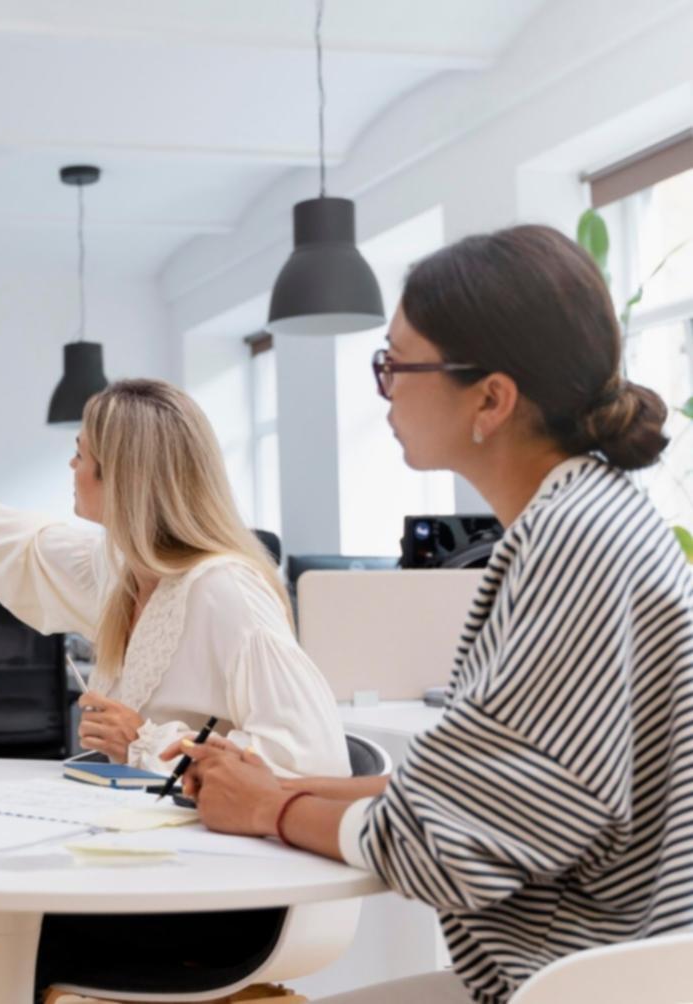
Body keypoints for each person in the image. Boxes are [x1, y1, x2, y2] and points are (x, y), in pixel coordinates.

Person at [182, 224, 693, 1004]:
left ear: (490, 397)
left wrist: (270, 808)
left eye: (394, 364)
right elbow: (470, 790)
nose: (382, 389)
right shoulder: (588, 517)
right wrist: (287, 784)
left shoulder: (572, 545)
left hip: (583, 981)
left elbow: (449, 850)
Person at [0, 377, 348, 1000]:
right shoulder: (125, 569)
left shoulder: (225, 592)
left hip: (227, 901)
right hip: (162, 873)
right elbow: (30, 542)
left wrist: (145, 740)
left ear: (123, 478)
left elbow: (311, 760)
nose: (71, 465)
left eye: (82, 455)